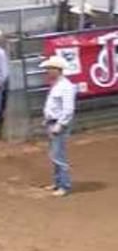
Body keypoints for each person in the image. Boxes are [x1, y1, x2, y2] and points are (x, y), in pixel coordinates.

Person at [40, 55, 76, 197]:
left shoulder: (66, 86)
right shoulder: (58, 84)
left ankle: (64, 186)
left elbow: (68, 109)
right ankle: (58, 183)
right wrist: (47, 119)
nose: (48, 71)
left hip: (58, 124)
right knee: (54, 155)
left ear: (58, 70)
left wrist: (60, 125)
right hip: (52, 122)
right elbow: (54, 106)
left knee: (58, 155)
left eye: (50, 68)